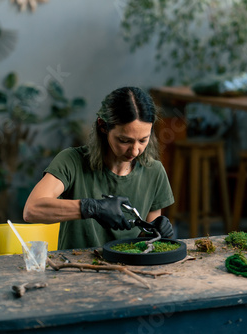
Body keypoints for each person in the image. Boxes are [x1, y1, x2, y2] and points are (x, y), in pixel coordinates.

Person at [23, 86, 175, 249]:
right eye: (124, 140)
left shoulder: (154, 172)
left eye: (143, 140)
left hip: (129, 270)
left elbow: (145, 243)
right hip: (76, 269)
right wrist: (91, 208)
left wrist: (155, 233)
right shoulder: (72, 161)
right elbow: (32, 210)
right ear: (103, 126)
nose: (135, 150)